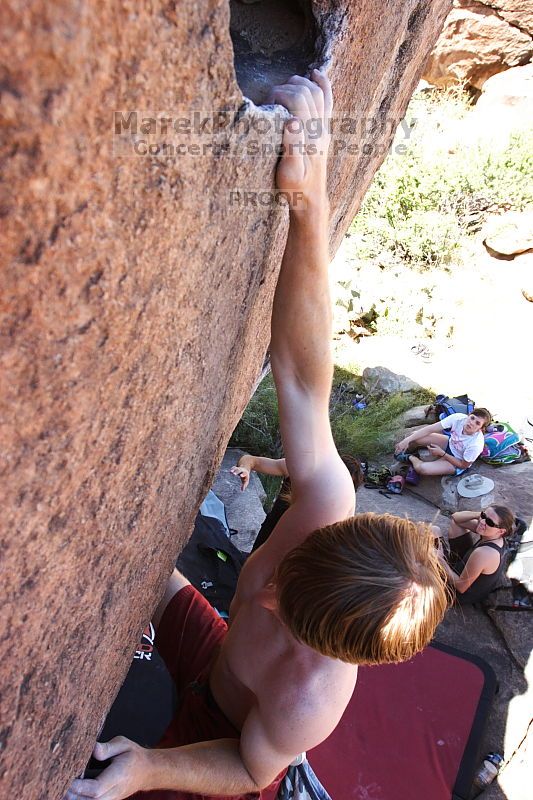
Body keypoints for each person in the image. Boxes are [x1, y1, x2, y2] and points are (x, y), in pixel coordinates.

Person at [65, 71, 448, 800]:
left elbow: (246, 767)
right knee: (116, 559)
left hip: (226, 739)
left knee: (106, 777)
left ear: (327, 649)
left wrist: (148, 766)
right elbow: (304, 380)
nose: (261, 589)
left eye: (283, 607)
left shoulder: (308, 702)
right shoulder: (323, 503)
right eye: (286, 572)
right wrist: (310, 205)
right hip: (214, 656)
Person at [230, 453, 364, 552]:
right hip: (268, 536)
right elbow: (251, 460)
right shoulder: (299, 470)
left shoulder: (341, 512)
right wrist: (245, 468)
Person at [439, 505, 515, 605]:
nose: (483, 522)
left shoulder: (485, 553)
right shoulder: (494, 535)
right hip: (462, 568)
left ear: (501, 531)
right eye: (483, 515)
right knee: (448, 527)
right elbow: (456, 518)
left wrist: (440, 560)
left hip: (456, 593)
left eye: (490, 522)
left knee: (433, 533)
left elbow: (461, 587)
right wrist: (479, 515)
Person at [394, 409, 492, 478]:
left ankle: (411, 457)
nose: (472, 423)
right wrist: (407, 440)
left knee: (422, 469)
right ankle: (409, 450)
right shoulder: (458, 418)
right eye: (472, 418)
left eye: (477, 423)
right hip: (449, 443)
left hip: (457, 460)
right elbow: (430, 429)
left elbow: (463, 465)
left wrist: (442, 453)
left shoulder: (476, 444)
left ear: (481, 429)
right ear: (469, 415)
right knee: (415, 436)